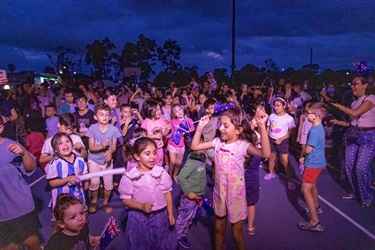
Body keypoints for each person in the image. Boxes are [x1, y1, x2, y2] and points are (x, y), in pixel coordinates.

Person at [191, 108, 270, 250]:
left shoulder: (243, 146)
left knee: (236, 234)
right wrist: (200, 128)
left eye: (225, 126)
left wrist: (262, 126)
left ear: (239, 130)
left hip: (236, 196)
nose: (220, 128)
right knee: (218, 228)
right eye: (220, 124)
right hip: (219, 193)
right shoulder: (217, 142)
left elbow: (265, 153)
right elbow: (194, 146)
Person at [119, 137, 176, 250]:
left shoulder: (160, 172)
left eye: (154, 153)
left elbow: (167, 193)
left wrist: (170, 214)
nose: (152, 157)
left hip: (160, 215)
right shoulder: (130, 177)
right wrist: (141, 205)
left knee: (160, 240)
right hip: (139, 218)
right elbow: (125, 199)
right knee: (140, 242)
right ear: (137, 156)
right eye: (147, 154)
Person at [331, 76, 375, 207]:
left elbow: (355, 113)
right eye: (352, 84)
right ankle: (355, 192)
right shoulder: (355, 102)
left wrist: (338, 106)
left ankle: (366, 196)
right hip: (354, 135)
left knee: (361, 169)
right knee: (349, 166)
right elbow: (352, 122)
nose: (352, 87)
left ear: (365, 85)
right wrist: (338, 122)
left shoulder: (371, 99)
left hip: (369, 137)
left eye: (355, 84)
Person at [0, 118, 42, 250]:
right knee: (9, 247)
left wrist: (24, 153)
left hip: (19, 207)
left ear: (0, 128)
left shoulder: (11, 147)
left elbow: (30, 168)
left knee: (31, 242)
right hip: (1, 211)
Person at [297, 102, 328, 232]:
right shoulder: (319, 128)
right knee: (313, 186)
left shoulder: (314, 130)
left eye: (308, 113)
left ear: (315, 116)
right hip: (318, 163)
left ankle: (314, 222)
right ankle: (316, 206)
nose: (306, 115)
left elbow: (309, 149)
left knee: (305, 190)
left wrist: (303, 153)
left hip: (313, 164)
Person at [86, 104, 121, 214]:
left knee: (108, 183)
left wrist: (110, 151)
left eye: (107, 114)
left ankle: (105, 202)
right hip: (93, 159)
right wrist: (102, 146)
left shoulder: (113, 129)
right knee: (95, 181)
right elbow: (91, 147)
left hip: (107, 161)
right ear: (96, 117)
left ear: (110, 117)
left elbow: (114, 146)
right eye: (101, 114)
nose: (104, 117)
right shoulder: (92, 129)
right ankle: (94, 200)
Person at [175, 134, 206, 248]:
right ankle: (175, 238)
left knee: (190, 218)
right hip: (189, 198)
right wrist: (188, 192)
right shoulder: (192, 161)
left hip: (196, 197)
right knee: (183, 219)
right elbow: (181, 177)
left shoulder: (200, 156)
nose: (205, 145)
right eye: (202, 143)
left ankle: (182, 234)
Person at [45, 133, 88, 209]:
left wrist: (86, 183)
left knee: (80, 215)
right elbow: (52, 183)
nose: (65, 145)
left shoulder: (80, 159)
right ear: (55, 149)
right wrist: (67, 179)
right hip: (62, 200)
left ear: (72, 144)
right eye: (60, 143)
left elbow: (85, 175)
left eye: (67, 141)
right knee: (64, 218)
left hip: (78, 196)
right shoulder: (53, 163)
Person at [264, 97, 297, 191]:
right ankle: (271, 173)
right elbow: (268, 127)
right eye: (274, 105)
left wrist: (281, 139)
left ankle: (290, 180)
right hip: (271, 139)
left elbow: (291, 132)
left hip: (282, 142)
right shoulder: (272, 116)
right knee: (271, 157)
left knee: (285, 161)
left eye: (278, 106)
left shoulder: (289, 118)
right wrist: (266, 137)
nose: (276, 108)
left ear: (284, 106)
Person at [168, 104, 195, 182]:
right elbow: (169, 131)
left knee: (179, 163)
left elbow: (192, 130)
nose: (179, 112)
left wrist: (188, 129)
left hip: (182, 145)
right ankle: (169, 174)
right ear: (174, 114)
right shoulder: (173, 121)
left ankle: (175, 175)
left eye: (179, 109)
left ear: (183, 109)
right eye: (176, 111)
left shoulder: (189, 120)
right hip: (172, 143)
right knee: (172, 161)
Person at [141, 100, 171, 167]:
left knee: (158, 167)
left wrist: (168, 129)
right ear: (150, 111)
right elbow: (142, 136)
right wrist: (154, 136)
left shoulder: (161, 120)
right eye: (157, 110)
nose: (159, 112)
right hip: (149, 150)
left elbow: (164, 134)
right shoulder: (145, 122)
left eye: (159, 109)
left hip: (159, 149)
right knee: (150, 167)